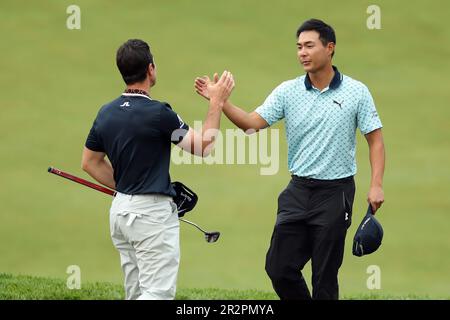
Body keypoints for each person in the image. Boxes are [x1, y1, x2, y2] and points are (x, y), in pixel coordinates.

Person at [194, 19, 385, 300]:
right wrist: (220, 102)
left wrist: (376, 184)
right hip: (298, 191)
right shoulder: (288, 91)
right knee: (278, 267)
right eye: (298, 47)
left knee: (324, 277)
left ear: (329, 48)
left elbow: (376, 140)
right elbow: (250, 125)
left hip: (336, 193)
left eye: (309, 46)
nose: (302, 53)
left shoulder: (357, 92)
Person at [81, 39, 234, 300]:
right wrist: (216, 102)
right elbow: (204, 146)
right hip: (150, 216)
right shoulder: (160, 114)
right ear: (151, 69)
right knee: (158, 294)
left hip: (120, 214)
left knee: (137, 292)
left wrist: (129, 187)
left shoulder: (105, 113)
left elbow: (90, 162)